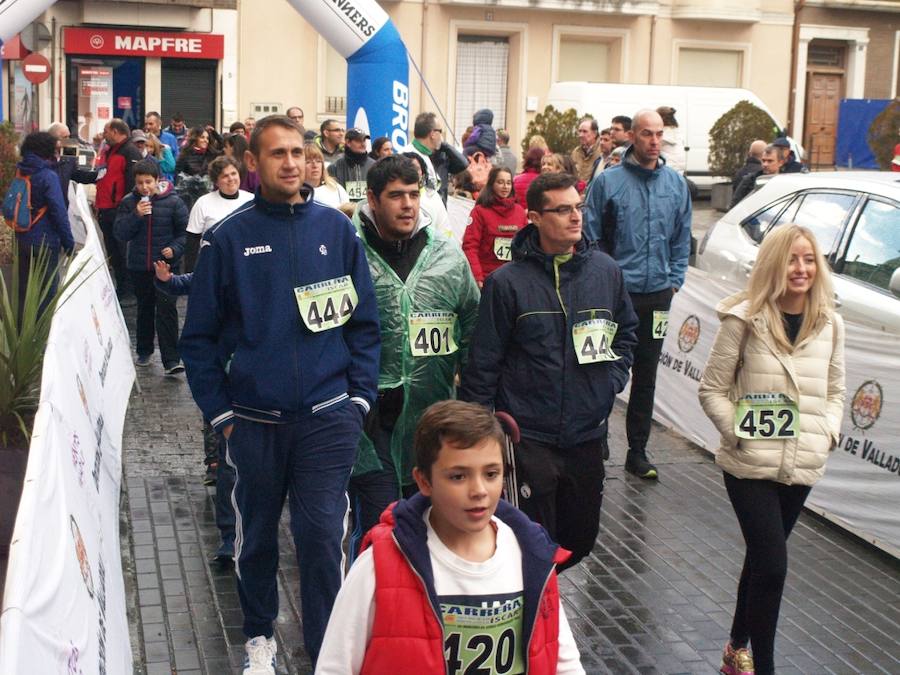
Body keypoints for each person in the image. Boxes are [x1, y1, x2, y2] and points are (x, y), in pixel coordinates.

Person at [179, 114, 380, 673]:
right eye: (277, 154)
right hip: (253, 423)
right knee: (257, 539)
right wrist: (221, 414)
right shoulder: (228, 239)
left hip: (327, 419)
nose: (291, 163)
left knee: (320, 537)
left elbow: (364, 324)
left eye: (298, 152)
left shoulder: (337, 231)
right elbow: (197, 340)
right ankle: (260, 637)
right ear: (253, 163)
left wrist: (357, 399)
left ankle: (326, 649)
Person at [316, 400, 586, 675]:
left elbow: (564, 661)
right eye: (458, 476)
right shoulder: (379, 565)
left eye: (491, 474)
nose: (479, 490)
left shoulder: (533, 555)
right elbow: (335, 665)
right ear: (424, 482)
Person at [460, 173, 638, 570]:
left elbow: (627, 333)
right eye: (563, 210)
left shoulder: (605, 272)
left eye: (578, 207)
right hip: (529, 438)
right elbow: (483, 364)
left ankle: (543, 608)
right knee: (531, 545)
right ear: (535, 217)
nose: (575, 217)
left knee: (579, 541)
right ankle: (538, 623)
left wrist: (610, 383)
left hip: (586, 435)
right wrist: (480, 440)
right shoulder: (507, 284)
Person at [698, 224, 845, 675]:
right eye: (791, 259)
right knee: (773, 565)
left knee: (762, 560)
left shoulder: (830, 322)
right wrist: (739, 433)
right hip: (748, 463)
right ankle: (764, 666)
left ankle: (736, 647)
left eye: (808, 259)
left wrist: (828, 434)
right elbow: (712, 390)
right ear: (773, 264)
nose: (800, 269)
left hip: (802, 462)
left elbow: (837, 390)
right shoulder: (744, 318)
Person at [347, 156, 480, 552]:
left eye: (413, 193)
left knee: (433, 532)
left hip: (434, 419)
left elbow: (473, 327)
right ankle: (372, 608)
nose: (407, 204)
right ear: (372, 199)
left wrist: (475, 402)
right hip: (371, 424)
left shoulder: (446, 255)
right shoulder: (347, 252)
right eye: (395, 196)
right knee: (380, 531)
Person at [584, 109, 691, 480]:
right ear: (632, 135)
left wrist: (674, 280)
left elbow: (682, 238)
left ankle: (638, 451)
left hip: (658, 296)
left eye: (659, 134)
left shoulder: (676, 185)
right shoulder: (608, 183)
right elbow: (591, 237)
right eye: (647, 134)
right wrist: (602, 284)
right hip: (615, 297)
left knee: (647, 374)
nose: (654, 141)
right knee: (601, 366)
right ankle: (595, 436)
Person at [114, 159, 188, 373]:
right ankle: (144, 350)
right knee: (145, 308)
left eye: (148, 182)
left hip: (165, 266)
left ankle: (171, 359)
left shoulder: (173, 202)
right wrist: (136, 215)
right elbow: (120, 232)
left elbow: (184, 233)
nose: (144, 187)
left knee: (166, 309)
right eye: (140, 183)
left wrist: (174, 249)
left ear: (158, 180)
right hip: (139, 265)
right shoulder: (129, 202)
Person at [9, 131, 75, 316]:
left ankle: (21, 333)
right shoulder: (48, 175)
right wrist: (68, 243)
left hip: (22, 236)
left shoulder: (20, 169)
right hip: (45, 240)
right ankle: (43, 335)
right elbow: (59, 212)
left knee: (24, 289)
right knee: (47, 290)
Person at [95, 118, 143, 303]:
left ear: (115, 131)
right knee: (114, 252)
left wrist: (127, 209)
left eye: (106, 131)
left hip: (118, 209)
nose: (104, 134)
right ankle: (122, 286)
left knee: (122, 251)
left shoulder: (129, 151)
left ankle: (128, 290)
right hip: (107, 208)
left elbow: (133, 182)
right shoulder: (112, 151)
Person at [184, 155, 254, 270]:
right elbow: (192, 243)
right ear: (216, 181)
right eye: (225, 176)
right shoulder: (203, 203)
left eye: (233, 173)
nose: (231, 178)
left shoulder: (252, 200)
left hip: (246, 265)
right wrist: (190, 276)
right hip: (214, 266)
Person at [462, 166, 527, 287]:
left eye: (508, 183)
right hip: (487, 278)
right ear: (492, 184)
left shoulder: (520, 211)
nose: (505, 187)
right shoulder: (479, 212)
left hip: (515, 278)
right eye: (500, 182)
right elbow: (470, 246)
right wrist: (477, 277)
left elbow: (526, 246)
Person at [47, 122, 97, 208]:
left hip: (62, 202)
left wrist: (96, 175)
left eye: (69, 136)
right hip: (45, 203)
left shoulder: (68, 150)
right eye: (64, 137)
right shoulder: (42, 154)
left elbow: (75, 174)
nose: (68, 140)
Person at [730, 143, 785, 209]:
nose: (765, 164)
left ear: (780, 162)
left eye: (770, 161)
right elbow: (734, 206)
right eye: (763, 160)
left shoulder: (785, 182)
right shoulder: (749, 180)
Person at [328, 128, 375, 202]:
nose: (363, 144)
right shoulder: (335, 167)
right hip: (343, 210)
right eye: (359, 141)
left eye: (364, 141)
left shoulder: (374, 166)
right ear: (348, 142)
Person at [305, 144, 350, 210]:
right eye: (308, 162)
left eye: (318, 161)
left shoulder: (336, 188)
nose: (315, 165)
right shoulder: (294, 194)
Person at [571, 117, 603, 183]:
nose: (581, 135)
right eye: (579, 131)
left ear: (594, 134)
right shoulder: (575, 152)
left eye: (585, 131)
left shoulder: (603, 151)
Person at [657, 106, 686, 175]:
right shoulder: (677, 131)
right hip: (679, 170)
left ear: (660, 118)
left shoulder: (661, 134)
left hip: (667, 169)